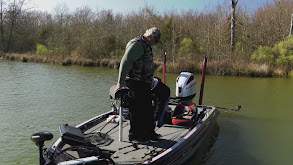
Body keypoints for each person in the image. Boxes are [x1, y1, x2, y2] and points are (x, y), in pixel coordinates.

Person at [115, 27, 162, 142]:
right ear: (151, 37)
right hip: (135, 83)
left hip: (144, 83)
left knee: (147, 108)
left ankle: (149, 133)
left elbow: (146, 64)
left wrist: (150, 79)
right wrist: (120, 82)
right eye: (155, 41)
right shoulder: (137, 45)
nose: (155, 44)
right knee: (136, 110)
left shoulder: (146, 45)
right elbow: (125, 61)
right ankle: (135, 136)